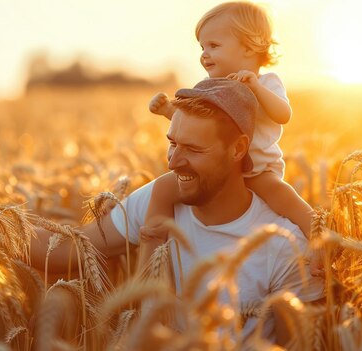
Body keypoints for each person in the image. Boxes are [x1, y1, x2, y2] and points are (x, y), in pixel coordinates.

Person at [30, 78, 324, 345]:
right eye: (172, 144)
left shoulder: (284, 246)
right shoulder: (157, 202)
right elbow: (70, 248)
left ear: (238, 149)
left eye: (194, 150)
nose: (173, 162)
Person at [147, 2, 315, 261]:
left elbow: (284, 115)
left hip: (258, 170)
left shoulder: (268, 83)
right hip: (219, 171)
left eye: (214, 46)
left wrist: (256, 88)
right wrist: (169, 110)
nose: (204, 54)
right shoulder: (207, 87)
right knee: (161, 188)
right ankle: (153, 247)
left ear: (249, 46)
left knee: (283, 197)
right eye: (202, 47)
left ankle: (320, 239)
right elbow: (194, 128)